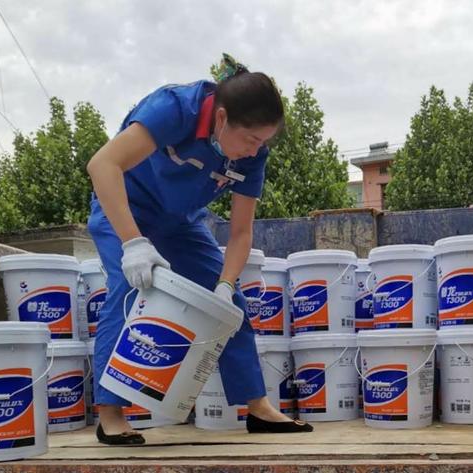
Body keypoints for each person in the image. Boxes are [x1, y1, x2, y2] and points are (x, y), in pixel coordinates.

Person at [86, 54, 312, 445]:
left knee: (231, 305)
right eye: (251, 139)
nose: (255, 150)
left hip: (181, 222)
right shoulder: (175, 108)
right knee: (129, 289)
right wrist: (134, 244)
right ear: (221, 118)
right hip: (124, 208)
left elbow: (240, 233)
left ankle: (257, 407)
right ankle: (110, 415)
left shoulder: (253, 157)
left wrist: (224, 285)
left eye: (263, 142)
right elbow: (102, 165)